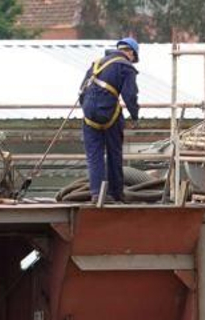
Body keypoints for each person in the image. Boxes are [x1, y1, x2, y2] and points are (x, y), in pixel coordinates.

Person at [79, 36, 141, 203]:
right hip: (110, 115)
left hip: (89, 115)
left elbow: (82, 91)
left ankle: (97, 193)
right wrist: (135, 116)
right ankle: (116, 193)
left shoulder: (96, 64)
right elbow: (130, 95)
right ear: (131, 53)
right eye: (134, 58)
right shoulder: (126, 66)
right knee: (114, 153)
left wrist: (88, 110)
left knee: (94, 155)